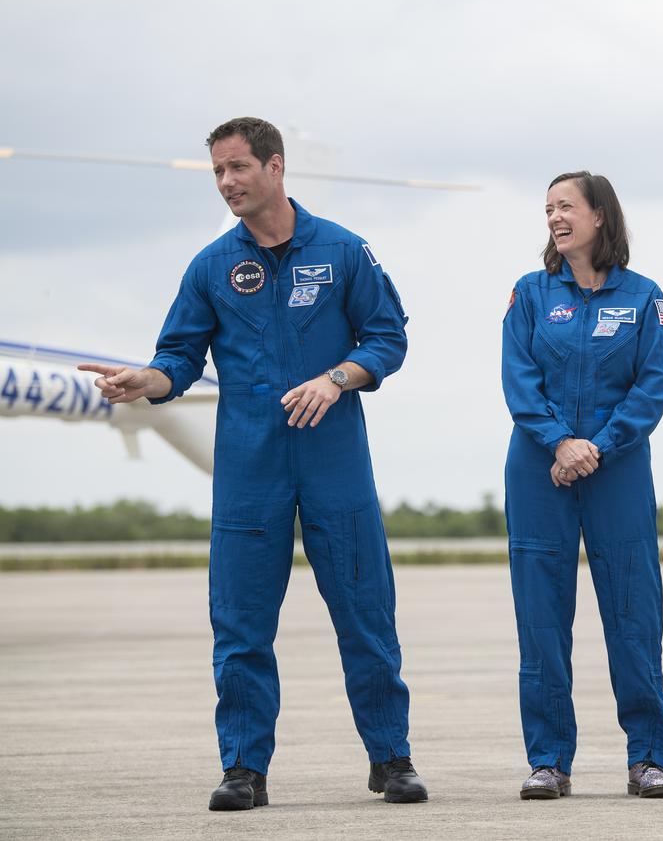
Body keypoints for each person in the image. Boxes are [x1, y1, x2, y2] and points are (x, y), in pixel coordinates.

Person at [80, 117, 427, 810]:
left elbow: (388, 337)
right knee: (239, 624)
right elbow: (177, 357)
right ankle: (243, 767)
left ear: (275, 167)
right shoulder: (210, 265)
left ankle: (391, 758)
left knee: (365, 612)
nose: (228, 182)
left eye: (238, 167)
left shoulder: (345, 250)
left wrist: (338, 378)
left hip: (335, 463)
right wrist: (145, 381)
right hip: (248, 467)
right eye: (217, 171)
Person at [501, 171, 663, 800]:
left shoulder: (643, 297)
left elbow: (656, 381)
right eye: (548, 208)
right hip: (538, 468)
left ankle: (648, 758)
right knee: (541, 618)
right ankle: (549, 760)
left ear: (600, 215)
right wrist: (559, 442)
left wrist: (596, 447)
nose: (554, 217)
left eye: (567, 206)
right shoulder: (529, 294)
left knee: (634, 612)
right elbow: (518, 380)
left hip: (619, 468)